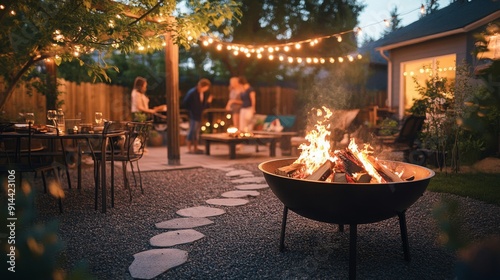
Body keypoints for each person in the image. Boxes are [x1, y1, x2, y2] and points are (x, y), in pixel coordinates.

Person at [182, 78, 212, 154]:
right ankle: (188, 148)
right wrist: (191, 110)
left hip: (199, 114)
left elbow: (203, 105)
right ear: (202, 86)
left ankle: (195, 147)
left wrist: (208, 102)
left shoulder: (202, 93)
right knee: (192, 130)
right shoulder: (192, 92)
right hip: (193, 114)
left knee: (196, 132)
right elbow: (185, 102)